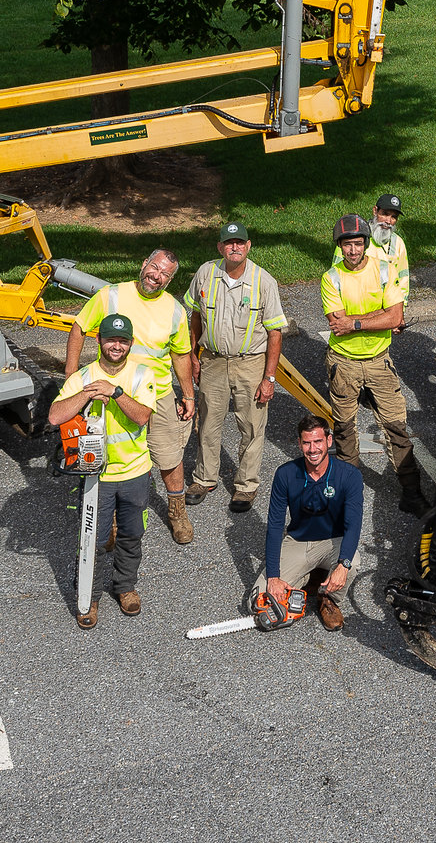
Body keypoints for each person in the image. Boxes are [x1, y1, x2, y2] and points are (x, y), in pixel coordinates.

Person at [70, 249, 200, 544]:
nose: (157, 276)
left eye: (165, 274)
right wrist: (71, 377)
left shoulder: (175, 310)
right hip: (113, 391)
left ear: (170, 279)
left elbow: (180, 355)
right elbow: (79, 328)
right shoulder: (111, 295)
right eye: (154, 268)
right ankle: (112, 517)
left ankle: (177, 512)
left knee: (169, 456)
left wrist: (188, 395)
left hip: (157, 395)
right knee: (110, 454)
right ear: (144, 264)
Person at [47, 314, 159, 623]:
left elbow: (141, 417)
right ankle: (89, 597)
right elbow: (55, 417)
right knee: (91, 540)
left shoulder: (141, 375)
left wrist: (115, 393)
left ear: (131, 344)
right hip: (96, 476)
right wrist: (86, 394)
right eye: (111, 339)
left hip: (135, 471)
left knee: (132, 534)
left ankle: (125, 587)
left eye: (123, 341)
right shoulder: (83, 377)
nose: (116, 346)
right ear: (99, 341)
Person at [325, 214, 429, 515]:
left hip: (379, 362)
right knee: (345, 430)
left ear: (366, 244)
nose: (353, 250)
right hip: (342, 364)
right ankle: (349, 494)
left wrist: (356, 322)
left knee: (396, 428)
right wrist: (378, 317)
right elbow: (336, 324)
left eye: (358, 243)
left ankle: (411, 493)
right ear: (340, 247)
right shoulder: (331, 278)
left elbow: (395, 318)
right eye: (347, 245)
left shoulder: (384, 270)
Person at [185, 222, 288, 515]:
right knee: (207, 423)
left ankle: (246, 485)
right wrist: (194, 356)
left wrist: (270, 377)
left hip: (251, 363)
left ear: (248, 246)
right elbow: (194, 315)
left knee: (252, 426)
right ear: (220, 247)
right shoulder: (205, 273)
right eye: (229, 243)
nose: (235, 248)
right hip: (213, 360)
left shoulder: (263, 281)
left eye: (240, 243)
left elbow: (275, 333)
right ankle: (204, 479)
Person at [262, 417, 365, 631]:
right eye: (307, 443)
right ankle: (311, 578)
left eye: (318, 441)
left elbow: (353, 525)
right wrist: (273, 576)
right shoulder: (285, 474)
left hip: (333, 541)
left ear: (329, 440)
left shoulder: (350, 475)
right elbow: (274, 526)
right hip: (299, 540)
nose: (313, 449)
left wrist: (343, 565)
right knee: (260, 600)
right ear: (299, 444)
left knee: (352, 561)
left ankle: (327, 598)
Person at [332, 194, 410, 303]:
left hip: (387, 308)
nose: (388, 221)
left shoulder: (398, 242)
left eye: (394, 217)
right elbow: (336, 275)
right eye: (385, 214)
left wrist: (402, 307)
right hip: (353, 304)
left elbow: (403, 279)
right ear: (375, 211)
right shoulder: (353, 239)